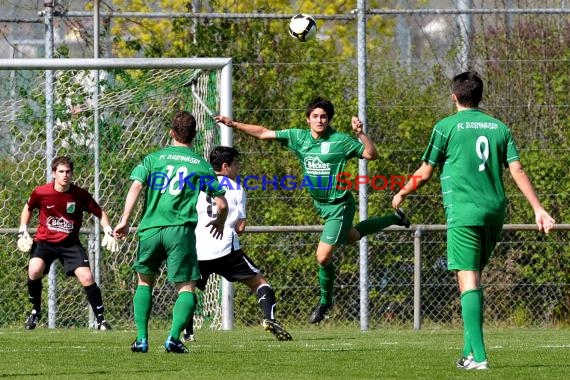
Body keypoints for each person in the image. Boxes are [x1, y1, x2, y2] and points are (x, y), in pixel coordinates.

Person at [391, 71, 555, 370]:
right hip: (495, 211)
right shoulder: (499, 127)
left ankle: (479, 358)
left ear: (454, 96)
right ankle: (468, 353)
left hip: (464, 212)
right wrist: (538, 209)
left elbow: (426, 172)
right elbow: (516, 170)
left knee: (469, 281)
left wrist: (402, 191)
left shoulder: (445, 127)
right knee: (469, 279)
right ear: (480, 96)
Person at [214, 97, 410, 324]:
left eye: (324, 116)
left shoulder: (340, 141)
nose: (320, 120)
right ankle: (394, 218)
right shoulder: (299, 137)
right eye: (315, 116)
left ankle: (326, 301)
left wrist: (360, 134)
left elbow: (371, 154)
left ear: (329, 120)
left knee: (322, 255)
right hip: (322, 205)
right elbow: (263, 132)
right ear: (308, 119)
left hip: (340, 204)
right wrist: (233, 124)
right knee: (353, 235)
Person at [113, 111, 228, 354]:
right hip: (180, 231)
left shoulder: (153, 159)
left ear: (171, 133)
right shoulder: (200, 164)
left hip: (151, 230)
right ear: (194, 135)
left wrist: (124, 221)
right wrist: (220, 221)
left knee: (145, 282)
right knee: (187, 288)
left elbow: (135, 186)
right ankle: (174, 338)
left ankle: (142, 339)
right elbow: (222, 203)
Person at [182, 146, 292, 342]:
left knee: (187, 290)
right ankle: (269, 319)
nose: (237, 168)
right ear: (225, 166)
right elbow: (240, 227)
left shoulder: (196, 184)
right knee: (260, 282)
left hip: (198, 250)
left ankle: (187, 333)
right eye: (235, 164)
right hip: (225, 250)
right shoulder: (236, 188)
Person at [17, 155, 119, 331]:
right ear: (54, 173)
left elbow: (100, 213)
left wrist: (108, 230)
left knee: (87, 277)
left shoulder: (80, 194)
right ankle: (35, 312)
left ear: (72, 173)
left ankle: (101, 320)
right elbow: (28, 208)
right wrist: (23, 229)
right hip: (44, 242)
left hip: (70, 244)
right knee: (34, 270)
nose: (65, 175)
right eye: (61, 171)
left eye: (68, 172)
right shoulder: (41, 192)